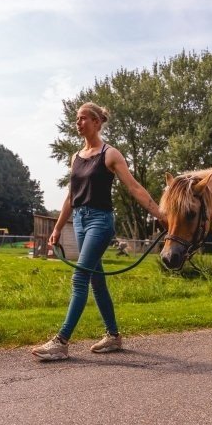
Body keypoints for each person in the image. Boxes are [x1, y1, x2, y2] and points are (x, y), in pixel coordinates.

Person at [31, 102, 165, 361]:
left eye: (83, 118)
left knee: (79, 278)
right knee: (96, 280)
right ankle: (113, 336)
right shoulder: (76, 157)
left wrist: (161, 215)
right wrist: (57, 228)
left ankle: (61, 342)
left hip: (100, 222)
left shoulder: (110, 154)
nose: (78, 123)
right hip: (79, 221)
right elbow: (71, 196)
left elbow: (134, 187)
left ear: (96, 122)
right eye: (76, 119)